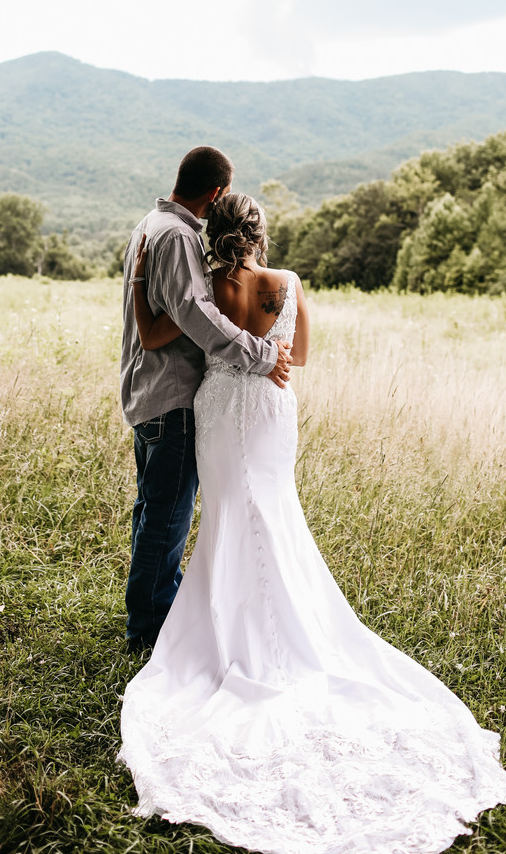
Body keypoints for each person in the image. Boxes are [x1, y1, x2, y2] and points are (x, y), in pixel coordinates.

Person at [119, 192, 506, 854]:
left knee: (222, 519)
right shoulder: (286, 285)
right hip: (271, 411)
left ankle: (227, 632)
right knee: (273, 513)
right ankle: (287, 632)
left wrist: (141, 287)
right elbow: (296, 356)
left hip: (217, 409)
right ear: (259, 234)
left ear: (214, 234)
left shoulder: (206, 290)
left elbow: (169, 335)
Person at [119, 146, 292, 653]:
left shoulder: (152, 224)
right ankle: (150, 633)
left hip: (150, 389)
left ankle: (147, 616)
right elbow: (196, 314)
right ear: (216, 193)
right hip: (169, 394)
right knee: (167, 519)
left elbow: (166, 316)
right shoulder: (176, 235)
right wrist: (261, 355)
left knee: (153, 510)